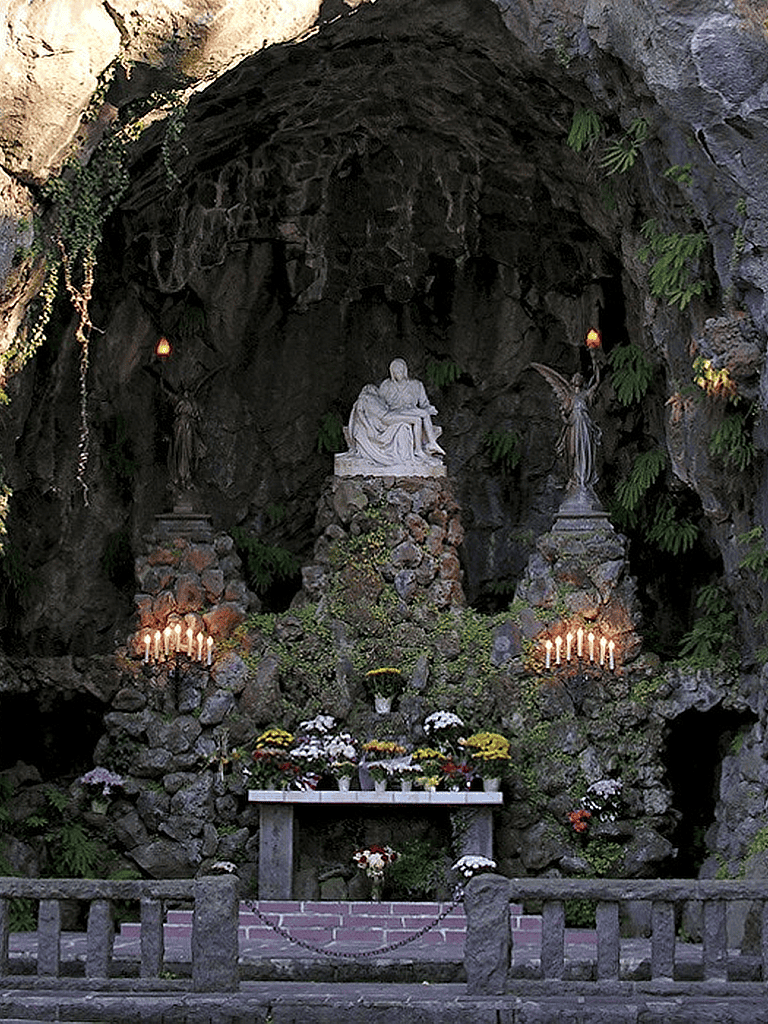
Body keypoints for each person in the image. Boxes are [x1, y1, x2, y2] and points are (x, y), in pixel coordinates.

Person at [378, 358, 445, 456]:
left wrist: (429, 408)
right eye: (395, 371)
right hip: (393, 412)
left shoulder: (416, 385)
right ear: (392, 372)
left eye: (400, 370)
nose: (398, 373)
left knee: (424, 413)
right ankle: (424, 446)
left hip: (410, 410)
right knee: (420, 416)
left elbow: (424, 403)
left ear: (405, 370)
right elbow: (379, 403)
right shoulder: (386, 385)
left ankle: (431, 443)